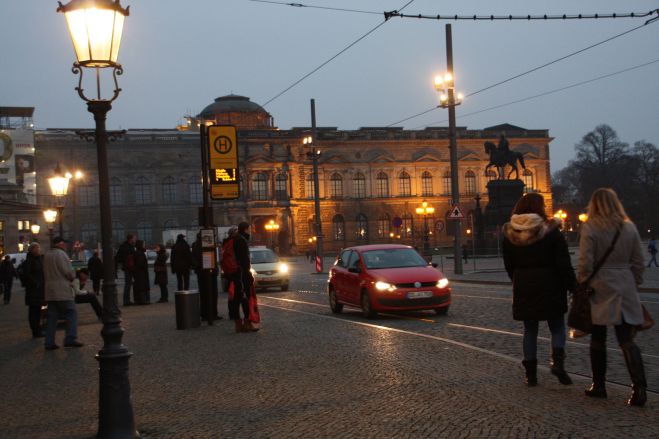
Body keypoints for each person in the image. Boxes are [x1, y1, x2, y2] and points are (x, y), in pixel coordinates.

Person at [578, 188, 647, 406]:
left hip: (600, 286)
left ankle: (599, 385)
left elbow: (586, 262)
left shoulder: (591, 228)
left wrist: (584, 282)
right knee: (627, 339)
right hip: (624, 284)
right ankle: (639, 389)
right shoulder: (629, 227)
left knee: (598, 338)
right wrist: (631, 282)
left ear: (594, 205)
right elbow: (638, 261)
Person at [502, 193, 576, 387]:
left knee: (530, 329)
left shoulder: (511, 232)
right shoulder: (551, 230)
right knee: (557, 326)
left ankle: (531, 375)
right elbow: (563, 262)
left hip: (524, 283)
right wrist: (571, 285)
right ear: (540, 207)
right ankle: (558, 363)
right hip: (551, 281)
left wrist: (517, 279)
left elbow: (509, 264)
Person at [43, 236, 82, 349]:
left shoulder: (47, 255)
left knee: (52, 317)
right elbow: (68, 272)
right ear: (60, 244)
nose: (65, 245)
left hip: (50, 291)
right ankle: (70, 338)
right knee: (71, 313)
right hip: (62, 289)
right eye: (64, 243)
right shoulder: (61, 254)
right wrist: (73, 275)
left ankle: (49, 342)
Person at [231, 222, 258, 332]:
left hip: (236, 274)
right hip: (242, 275)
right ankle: (247, 323)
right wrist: (248, 274)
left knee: (237, 299)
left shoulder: (236, 239)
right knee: (246, 298)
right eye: (250, 229)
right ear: (246, 229)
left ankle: (238, 324)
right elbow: (244, 261)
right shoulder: (241, 240)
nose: (251, 231)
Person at [222, 227, 248, 321]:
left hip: (230, 272)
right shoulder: (238, 241)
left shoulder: (226, 242)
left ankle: (233, 314)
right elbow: (243, 259)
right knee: (242, 295)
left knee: (233, 295)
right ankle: (245, 317)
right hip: (238, 271)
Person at [22, 243, 45, 338]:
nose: (39, 250)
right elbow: (27, 274)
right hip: (33, 290)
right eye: (37, 248)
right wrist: (36, 283)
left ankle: (37, 330)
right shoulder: (29, 261)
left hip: (39, 289)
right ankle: (35, 331)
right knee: (33, 311)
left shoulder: (39, 259)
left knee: (38, 310)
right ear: (32, 250)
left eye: (39, 248)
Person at [115, 234, 136, 306]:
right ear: (131, 239)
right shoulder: (128, 247)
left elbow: (118, 257)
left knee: (128, 284)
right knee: (128, 284)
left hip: (127, 267)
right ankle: (126, 300)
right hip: (129, 267)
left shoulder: (123, 246)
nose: (135, 239)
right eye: (134, 238)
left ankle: (127, 300)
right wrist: (126, 260)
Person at [132, 240, 151, 305]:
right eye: (143, 244)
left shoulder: (137, 252)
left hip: (138, 273)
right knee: (142, 286)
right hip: (141, 273)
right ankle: (143, 300)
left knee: (139, 286)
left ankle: (139, 300)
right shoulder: (140, 253)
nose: (144, 245)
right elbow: (140, 264)